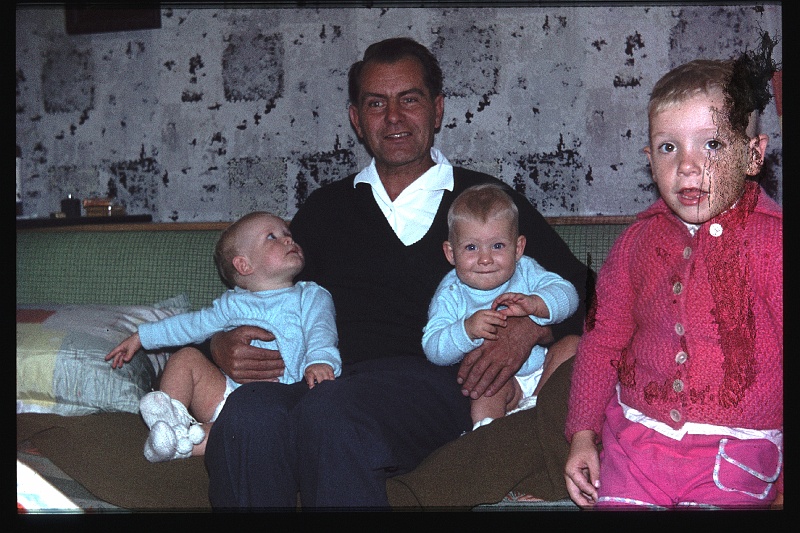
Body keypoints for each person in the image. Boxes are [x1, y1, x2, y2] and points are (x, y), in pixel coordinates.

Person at [204, 37, 588, 509]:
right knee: (248, 413)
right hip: (332, 379)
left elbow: (590, 293)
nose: (393, 118)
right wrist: (218, 346)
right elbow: (260, 293)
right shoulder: (326, 210)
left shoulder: (487, 204)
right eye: (376, 103)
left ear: (437, 109)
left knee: (331, 414)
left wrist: (530, 328)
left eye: (409, 99)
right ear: (356, 118)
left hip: (443, 384)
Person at [564, 53, 782, 509]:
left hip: (736, 448)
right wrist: (583, 434)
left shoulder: (772, 242)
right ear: (649, 159)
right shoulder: (634, 243)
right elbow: (602, 342)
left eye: (712, 145)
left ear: (753, 155)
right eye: (668, 147)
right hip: (635, 446)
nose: (687, 166)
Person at [106, 212, 341, 463]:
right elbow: (191, 325)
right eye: (272, 236)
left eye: (288, 235)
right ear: (244, 265)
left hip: (283, 404)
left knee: (224, 434)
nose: (287, 240)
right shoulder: (232, 305)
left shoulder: (312, 296)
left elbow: (322, 331)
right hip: (229, 396)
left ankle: (177, 444)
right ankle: (168, 427)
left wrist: (320, 360)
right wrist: (142, 336)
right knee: (185, 358)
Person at [423, 183, 579, 430]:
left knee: (573, 344)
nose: (485, 259)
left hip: (544, 371)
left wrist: (536, 304)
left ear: (518, 248)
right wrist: (467, 330)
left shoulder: (527, 269)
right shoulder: (451, 292)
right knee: (484, 390)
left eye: (497, 246)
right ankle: (487, 435)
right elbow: (433, 347)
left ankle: (536, 405)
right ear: (451, 253)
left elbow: (569, 295)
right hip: (500, 383)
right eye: (471, 248)